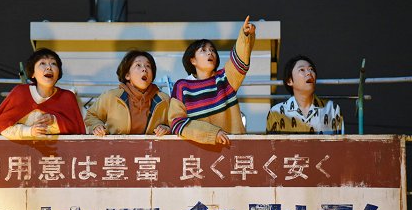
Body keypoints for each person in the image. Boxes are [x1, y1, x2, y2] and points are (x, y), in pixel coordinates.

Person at [168, 16, 256, 145]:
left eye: (212, 50)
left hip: (233, 148)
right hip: (197, 153)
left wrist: (246, 35)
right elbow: (177, 122)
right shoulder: (182, 86)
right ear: (193, 60)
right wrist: (212, 133)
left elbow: (240, 60)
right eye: (203, 50)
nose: (210, 53)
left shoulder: (225, 78)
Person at [0, 48, 86, 138]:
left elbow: (77, 133)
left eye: (53, 63)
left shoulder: (67, 97)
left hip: (56, 157)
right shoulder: (20, 93)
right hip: (18, 155)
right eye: (42, 63)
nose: (49, 67)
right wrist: (30, 131)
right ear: (32, 73)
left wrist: (54, 120)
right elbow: (0, 128)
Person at [84, 50, 170, 136]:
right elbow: (91, 115)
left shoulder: (165, 100)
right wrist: (97, 126)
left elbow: (175, 123)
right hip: (115, 148)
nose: (144, 69)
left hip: (153, 149)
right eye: (138, 65)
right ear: (127, 75)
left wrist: (167, 128)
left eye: (148, 66)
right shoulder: (111, 96)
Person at [266, 55, 344, 134]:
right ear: (289, 81)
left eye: (311, 69)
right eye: (302, 70)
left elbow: (342, 144)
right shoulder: (276, 112)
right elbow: (271, 145)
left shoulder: (332, 109)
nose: (309, 73)